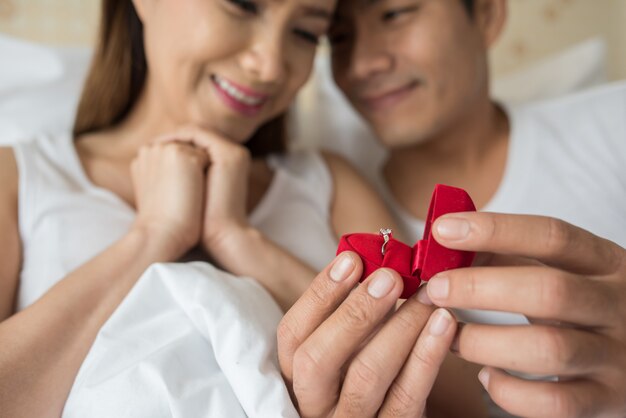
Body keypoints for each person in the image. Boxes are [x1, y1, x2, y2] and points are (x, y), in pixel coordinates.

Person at [0, 0, 468, 415]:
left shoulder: (327, 184)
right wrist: (155, 236)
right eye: (242, 5)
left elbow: (460, 403)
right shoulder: (21, 178)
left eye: (306, 32)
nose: (269, 65)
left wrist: (238, 239)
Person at [278, 0, 626, 417]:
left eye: (394, 14)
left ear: (486, 15)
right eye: (338, 39)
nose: (362, 64)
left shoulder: (613, 125)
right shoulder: (316, 200)